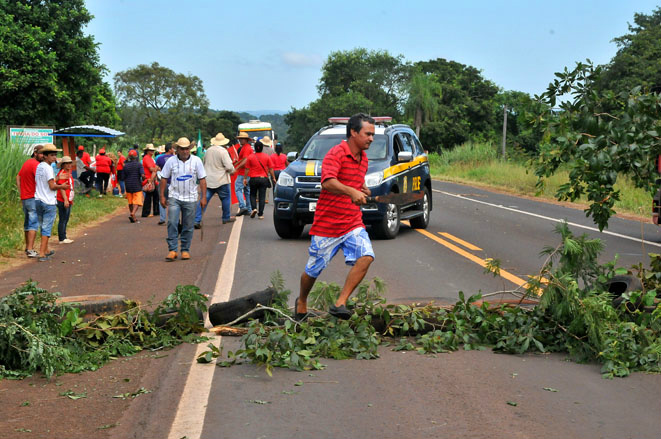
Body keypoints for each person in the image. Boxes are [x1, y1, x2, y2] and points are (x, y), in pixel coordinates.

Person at [294, 114, 376, 320]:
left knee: (366, 256)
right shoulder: (336, 154)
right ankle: (302, 300)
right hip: (327, 226)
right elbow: (328, 182)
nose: (371, 139)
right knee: (313, 270)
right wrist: (351, 192)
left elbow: (354, 181)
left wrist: (363, 189)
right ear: (354, 133)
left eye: (373, 135)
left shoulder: (363, 159)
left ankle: (340, 303)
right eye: (368, 134)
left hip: (352, 223)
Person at [159, 137, 207, 261]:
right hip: (174, 196)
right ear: (177, 150)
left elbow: (202, 180)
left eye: (187, 149)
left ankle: (185, 249)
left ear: (189, 149)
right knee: (172, 222)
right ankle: (172, 249)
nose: (185, 151)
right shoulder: (171, 161)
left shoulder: (197, 161)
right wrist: (162, 196)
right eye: (182, 149)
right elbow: (164, 178)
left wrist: (203, 197)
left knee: (188, 225)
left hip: (191, 197)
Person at [35, 144, 70, 262]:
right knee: (46, 227)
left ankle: (46, 249)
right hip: (48, 201)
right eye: (52, 155)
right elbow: (51, 186)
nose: (54, 158)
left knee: (42, 226)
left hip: (38, 199)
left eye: (55, 155)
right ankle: (41, 253)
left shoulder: (39, 166)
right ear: (45, 156)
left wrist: (58, 181)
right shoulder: (48, 168)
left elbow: (46, 182)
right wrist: (62, 186)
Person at [195, 133, 235, 227]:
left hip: (208, 179)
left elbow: (204, 162)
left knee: (204, 199)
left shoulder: (208, 150)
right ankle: (226, 217)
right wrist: (232, 170)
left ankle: (197, 220)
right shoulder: (223, 151)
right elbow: (229, 166)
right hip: (221, 179)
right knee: (225, 198)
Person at [16, 144, 44, 258]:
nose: (43, 156)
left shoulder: (27, 162)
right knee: (33, 223)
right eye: (41, 153)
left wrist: (21, 192)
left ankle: (28, 247)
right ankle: (30, 249)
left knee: (27, 223)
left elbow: (18, 176)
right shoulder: (37, 165)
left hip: (25, 197)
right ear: (35, 153)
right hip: (33, 197)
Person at [246, 140, 275, 219]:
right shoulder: (266, 156)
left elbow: (247, 169)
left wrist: (245, 178)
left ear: (254, 148)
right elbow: (271, 168)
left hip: (253, 179)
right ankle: (261, 214)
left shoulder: (250, 157)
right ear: (262, 148)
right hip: (263, 179)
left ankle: (254, 208)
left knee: (252, 194)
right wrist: (273, 178)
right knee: (262, 196)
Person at [232, 132, 253, 216]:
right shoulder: (245, 147)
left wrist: (236, 168)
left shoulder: (246, 148)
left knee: (238, 188)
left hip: (244, 172)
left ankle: (242, 206)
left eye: (242, 138)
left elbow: (245, 161)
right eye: (240, 138)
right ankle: (248, 209)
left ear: (246, 140)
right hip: (248, 172)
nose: (240, 140)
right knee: (247, 191)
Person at [56, 156, 75, 244]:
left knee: (65, 218)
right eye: (66, 163)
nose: (69, 165)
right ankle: (62, 237)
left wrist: (70, 199)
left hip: (68, 198)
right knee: (63, 218)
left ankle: (63, 236)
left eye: (69, 163)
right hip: (63, 199)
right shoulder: (63, 173)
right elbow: (62, 188)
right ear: (63, 165)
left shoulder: (68, 173)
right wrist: (66, 200)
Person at [123, 149, 145, 223]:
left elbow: (123, 176)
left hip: (128, 185)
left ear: (129, 156)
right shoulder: (139, 164)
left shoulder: (126, 165)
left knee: (130, 202)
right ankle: (133, 213)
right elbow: (142, 175)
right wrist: (145, 178)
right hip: (137, 185)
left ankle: (134, 217)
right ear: (136, 156)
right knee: (137, 201)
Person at [155, 143, 175, 225]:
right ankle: (171, 219)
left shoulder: (159, 158)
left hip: (163, 182)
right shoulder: (175, 158)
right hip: (172, 182)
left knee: (162, 199)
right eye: (173, 148)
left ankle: (162, 219)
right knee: (172, 201)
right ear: (170, 149)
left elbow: (155, 170)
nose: (174, 150)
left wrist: (151, 180)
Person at [141, 144, 160, 217]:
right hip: (149, 179)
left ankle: (155, 211)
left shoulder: (150, 158)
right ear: (147, 151)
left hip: (152, 179)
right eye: (151, 150)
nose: (152, 152)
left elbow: (154, 168)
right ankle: (146, 213)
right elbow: (151, 169)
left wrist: (156, 169)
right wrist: (157, 169)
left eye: (153, 150)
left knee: (155, 196)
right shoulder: (147, 158)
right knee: (149, 196)